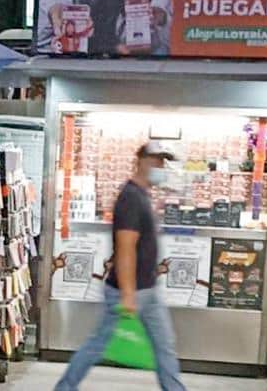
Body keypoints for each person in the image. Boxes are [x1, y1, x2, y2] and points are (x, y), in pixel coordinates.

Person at [55, 142, 186, 391]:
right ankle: (64, 388)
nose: (160, 167)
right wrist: (127, 293)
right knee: (97, 346)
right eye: (156, 161)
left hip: (148, 290)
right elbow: (125, 247)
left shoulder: (143, 196)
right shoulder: (130, 198)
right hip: (128, 292)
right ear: (142, 161)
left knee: (165, 347)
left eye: (163, 162)